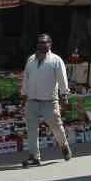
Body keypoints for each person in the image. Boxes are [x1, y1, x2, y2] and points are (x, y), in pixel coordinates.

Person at [21, 33, 72, 166]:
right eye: (39, 42)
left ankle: (64, 145)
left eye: (45, 42)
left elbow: (62, 79)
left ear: (50, 44)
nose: (42, 45)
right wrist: (23, 94)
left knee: (56, 127)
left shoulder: (56, 60)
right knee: (31, 129)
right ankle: (34, 157)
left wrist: (64, 95)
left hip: (49, 101)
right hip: (32, 101)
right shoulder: (31, 59)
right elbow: (26, 78)